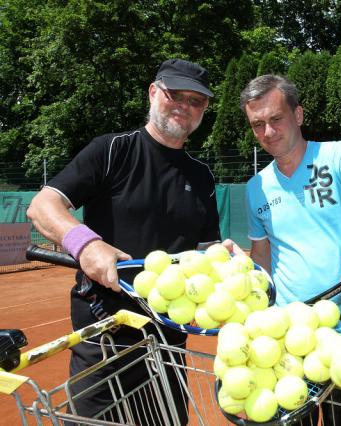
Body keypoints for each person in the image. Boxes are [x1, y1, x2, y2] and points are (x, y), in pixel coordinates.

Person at [27, 58, 222, 424]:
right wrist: (86, 244)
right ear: (153, 92)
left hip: (168, 345)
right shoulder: (112, 149)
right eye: (174, 94)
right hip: (104, 342)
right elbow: (42, 206)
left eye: (196, 100)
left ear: (204, 110)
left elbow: (204, 253)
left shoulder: (203, 176)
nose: (184, 105)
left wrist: (222, 261)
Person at [241, 74, 341, 425]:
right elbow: (262, 259)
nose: (268, 132)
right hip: (289, 334)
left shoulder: (337, 154)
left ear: (298, 115)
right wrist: (245, 281)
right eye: (258, 124)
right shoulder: (255, 188)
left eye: (276, 119)